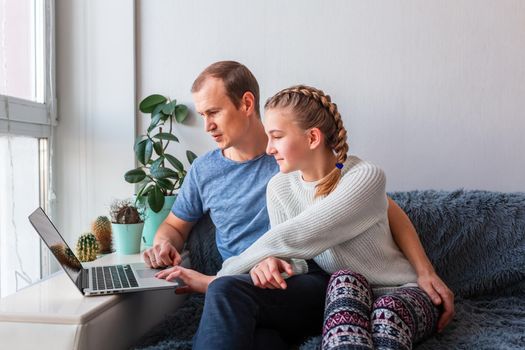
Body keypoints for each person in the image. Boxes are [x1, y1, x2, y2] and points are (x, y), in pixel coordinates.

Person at [144, 62, 454, 348]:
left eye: (214, 112)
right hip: (300, 284)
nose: (207, 126)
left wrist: (424, 270)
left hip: (334, 286)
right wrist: (164, 245)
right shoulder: (267, 181)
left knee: (228, 292)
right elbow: (294, 253)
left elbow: (305, 233)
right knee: (270, 335)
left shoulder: (329, 168)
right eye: (202, 116)